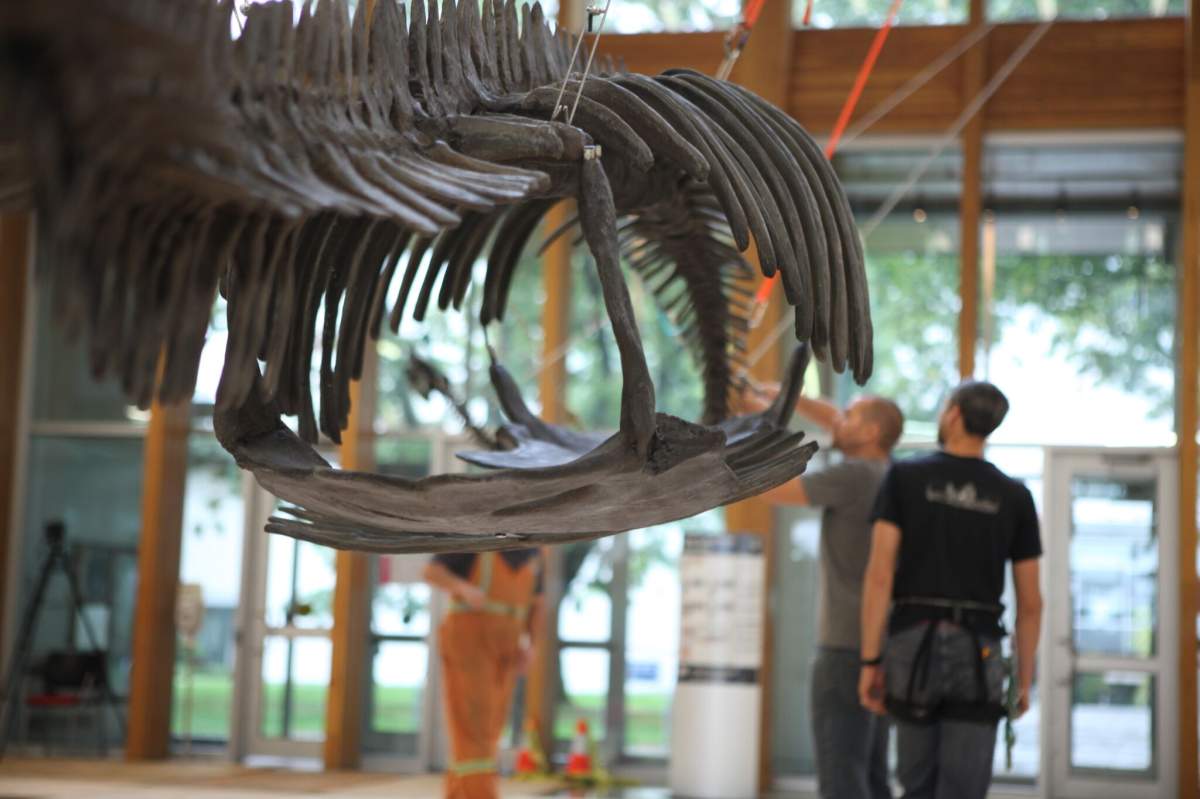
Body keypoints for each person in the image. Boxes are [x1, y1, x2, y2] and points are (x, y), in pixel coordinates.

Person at [858, 380, 1044, 799]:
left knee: (916, 784)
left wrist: (871, 660)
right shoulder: (1015, 496)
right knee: (964, 789)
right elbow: (1031, 604)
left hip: (912, 643)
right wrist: (1023, 680)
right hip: (979, 650)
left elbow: (880, 575)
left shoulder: (904, 477)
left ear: (954, 414)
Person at [748, 384, 904, 799]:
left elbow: (769, 490)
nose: (838, 419)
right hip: (881, 646)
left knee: (841, 775)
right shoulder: (890, 473)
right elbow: (836, 419)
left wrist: (752, 427)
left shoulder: (855, 475)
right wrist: (785, 395)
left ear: (871, 433)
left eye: (851, 416)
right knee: (872, 774)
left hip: (845, 650)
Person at [424, 548, 545, 799]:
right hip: (470, 638)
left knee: (491, 727)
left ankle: (459, 793)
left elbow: (538, 601)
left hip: (509, 645)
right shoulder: (478, 537)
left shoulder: (536, 550)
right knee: (473, 724)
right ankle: (481, 794)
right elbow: (431, 571)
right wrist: (462, 588)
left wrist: (531, 643)